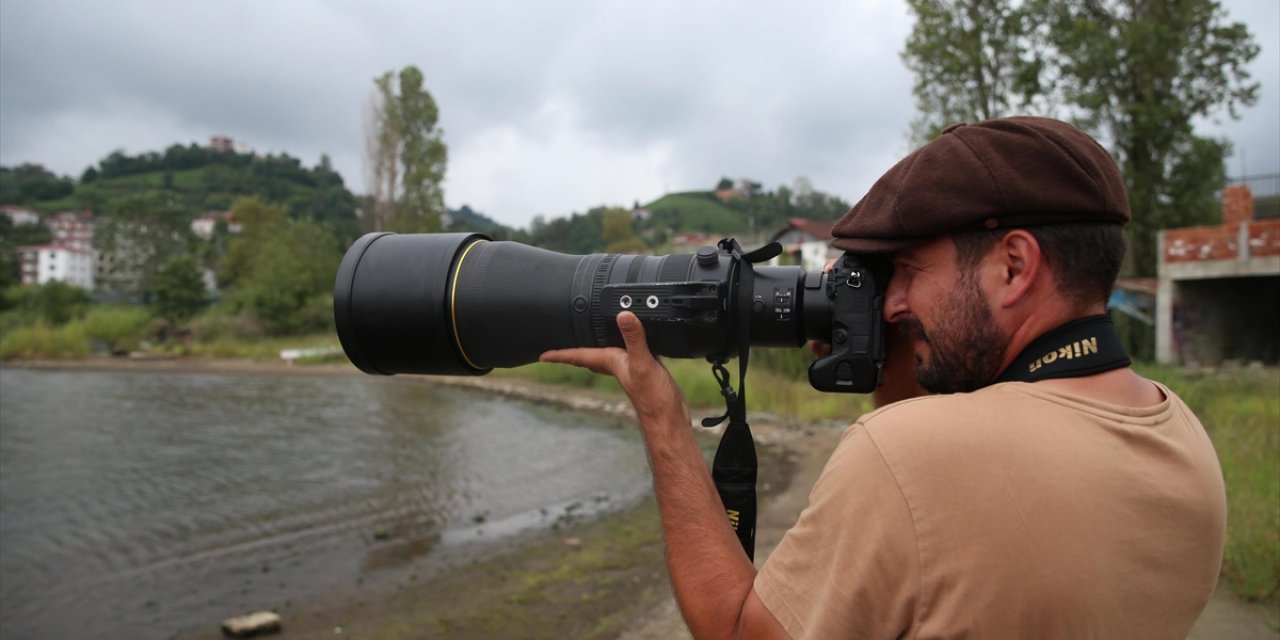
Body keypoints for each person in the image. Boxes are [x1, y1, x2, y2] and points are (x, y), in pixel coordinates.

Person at [541, 116, 1226, 639]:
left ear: (1014, 266)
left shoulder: (911, 457)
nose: (892, 304)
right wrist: (888, 357)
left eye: (907, 272)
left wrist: (662, 417)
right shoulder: (1182, 439)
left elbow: (734, 629)